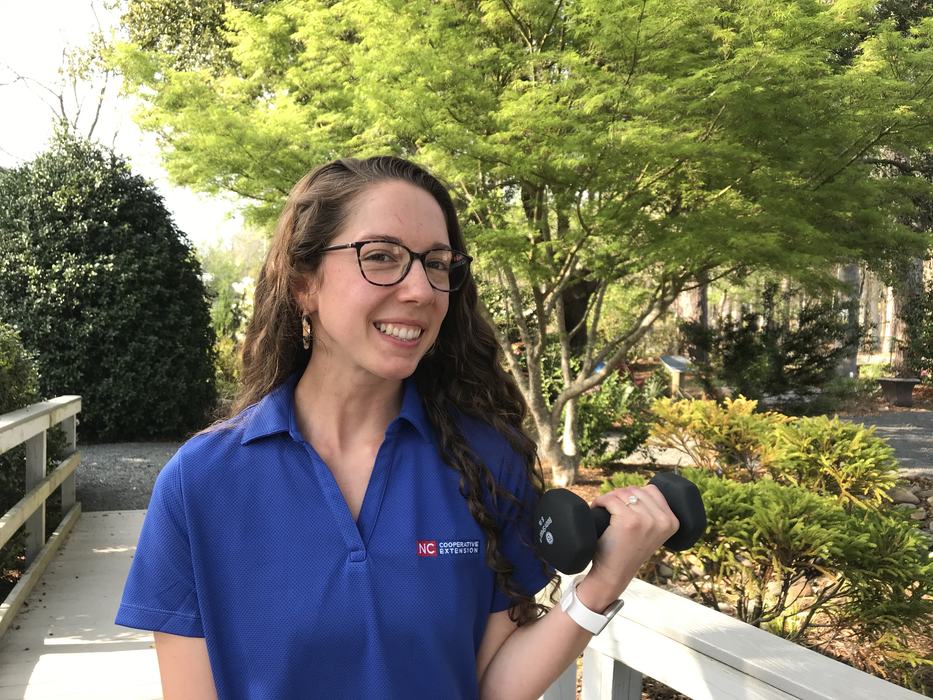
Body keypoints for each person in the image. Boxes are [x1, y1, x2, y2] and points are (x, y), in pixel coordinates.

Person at [115, 156, 678, 699]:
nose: (421, 290)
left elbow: (489, 688)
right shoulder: (202, 482)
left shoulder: (484, 461)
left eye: (437, 264)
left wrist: (601, 585)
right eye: (381, 256)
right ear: (302, 283)